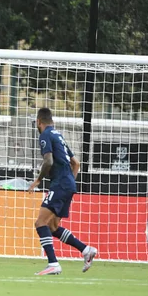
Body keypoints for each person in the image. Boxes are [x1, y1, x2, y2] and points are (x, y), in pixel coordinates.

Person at [27, 108, 97, 275]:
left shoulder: (45, 135)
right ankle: (86, 249)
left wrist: (38, 180)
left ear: (39, 122)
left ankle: (53, 263)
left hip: (60, 185)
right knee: (52, 226)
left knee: (40, 223)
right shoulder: (59, 136)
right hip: (69, 185)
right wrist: (69, 182)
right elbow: (76, 163)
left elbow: (48, 160)